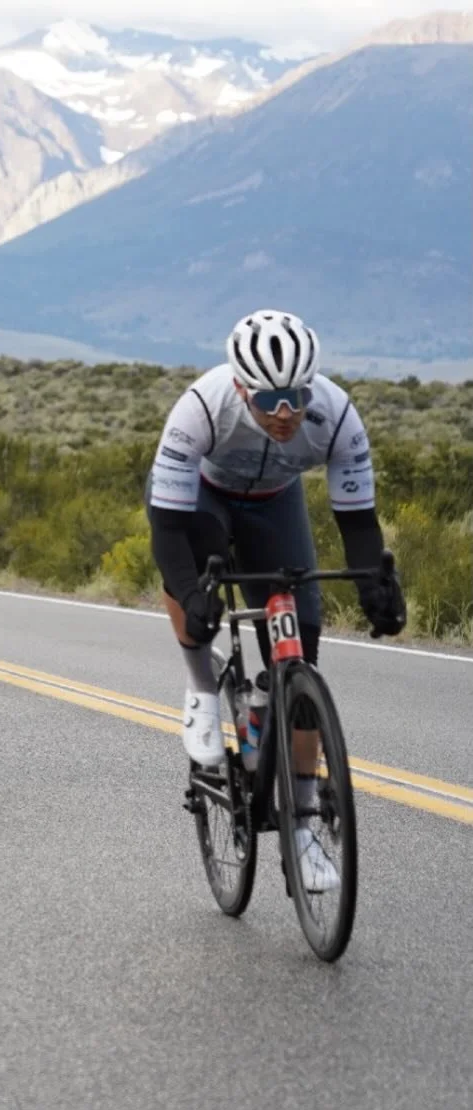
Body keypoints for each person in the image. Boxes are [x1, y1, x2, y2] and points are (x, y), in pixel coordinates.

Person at [147, 309, 406, 891]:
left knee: (301, 652)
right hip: (204, 501)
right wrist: (190, 594)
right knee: (196, 589)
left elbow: (358, 521)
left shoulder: (336, 416)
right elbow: (167, 530)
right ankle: (202, 688)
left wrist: (375, 586)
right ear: (242, 388)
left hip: (274, 504)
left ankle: (304, 825)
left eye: (296, 396)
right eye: (269, 399)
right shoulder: (201, 407)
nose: (285, 412)